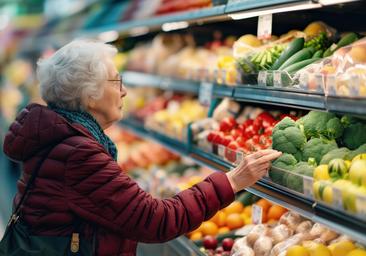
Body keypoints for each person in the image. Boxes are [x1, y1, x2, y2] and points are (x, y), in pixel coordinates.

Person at [3, 39, 281, 256]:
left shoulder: (63, 139)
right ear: (89, 96)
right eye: (116, 81)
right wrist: (233, 181)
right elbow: (155, 219)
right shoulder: (78, 154)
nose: (124, 91)